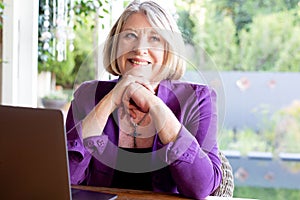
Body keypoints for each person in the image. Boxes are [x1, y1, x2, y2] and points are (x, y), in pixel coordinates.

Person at [66, 0, 222, 199]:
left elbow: (201, 188)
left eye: (155, 38)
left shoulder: (198, 99)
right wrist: (110, 101)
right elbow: (63, 178)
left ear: (169, 51)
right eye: (130, 35)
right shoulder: (88, 95)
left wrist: (155, 105)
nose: (140, 48)